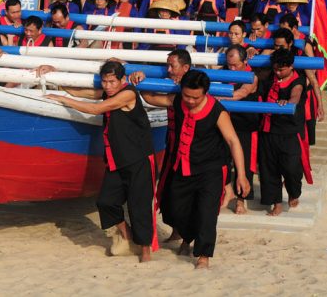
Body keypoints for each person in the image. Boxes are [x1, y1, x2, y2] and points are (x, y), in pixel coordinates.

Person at [44, 61, 157, 263]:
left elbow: (96, 109)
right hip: (116, 159)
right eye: (104, 81)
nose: (107, 86)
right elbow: (85, 93)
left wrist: (62, 99)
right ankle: (127, 234)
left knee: (139, 205)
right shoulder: (108, 92)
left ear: (122, 80)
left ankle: (145, 250)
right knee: (105, 201)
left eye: (112, 81)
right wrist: (57, 80)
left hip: (138, 158)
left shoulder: (128, 93)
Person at [163, 70, 250, 268]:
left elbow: (233, 141)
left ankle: (203, 255)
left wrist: (241, 175)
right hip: (183, 167)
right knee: (178, 210)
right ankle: (187, 237)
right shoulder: (177, 100)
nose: (191, 101)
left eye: (196, 97)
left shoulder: (217, 111)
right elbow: (151, 97)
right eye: (186, 95)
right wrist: (138, 77)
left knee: (207, 213)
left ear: (205, 93)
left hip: (211, 169)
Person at [129, 49, 191, 243]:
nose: (168, 69)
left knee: (187, 193)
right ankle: (176, 231)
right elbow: (153, 99)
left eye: (172, 65)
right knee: (167, 188)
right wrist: (143, 78)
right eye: (167, 65)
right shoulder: (171, 85)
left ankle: (188, 236)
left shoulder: (194, 87)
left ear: (186, 68)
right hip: (172, 145)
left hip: (192, 148)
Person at [258, 49, 308, 216]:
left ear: (291, 66)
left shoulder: (298, 79)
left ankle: (293, 191)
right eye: (276, 69)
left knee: (292, 167)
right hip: (268, 130)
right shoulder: (269, 77)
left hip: (289, 132)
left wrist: (287, 102)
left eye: (282, 70)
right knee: (268, 169)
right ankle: (276, 203)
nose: (278, 72)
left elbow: (296, 95)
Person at [222, 45, 260, 215]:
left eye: (235, 65)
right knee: (220, 158)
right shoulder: (222, 72)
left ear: (245, 62)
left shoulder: (252, 76)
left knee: (244, 164)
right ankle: (227, 191)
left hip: (246, 124)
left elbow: (240, 94)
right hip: (225, 123)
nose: (232, 69)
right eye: (229, 65)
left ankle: (240, 200)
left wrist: (215, 97)